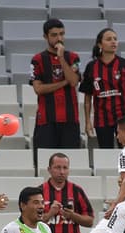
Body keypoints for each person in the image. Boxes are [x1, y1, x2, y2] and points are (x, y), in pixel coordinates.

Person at [30, 18, 81, 163]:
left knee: (70, 162)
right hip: (46, 120)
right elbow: (38, 89)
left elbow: (73, 81)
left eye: (61, 34)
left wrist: (61, 58)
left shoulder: (73, 57)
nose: (59, 38)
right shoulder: (37, 59)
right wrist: (63, 82)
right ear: (45, 37)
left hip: (70, 119)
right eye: (54, 35)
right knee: (44, 162)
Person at [79, 27, 125, 149]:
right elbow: (87, 98)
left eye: (115, 39)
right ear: (100, 44)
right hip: (102, 119)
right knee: (106, 153)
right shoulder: (91, 67)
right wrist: (87, 122)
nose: (113, 42)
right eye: (109, 39)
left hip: (124, 118)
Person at [41, 152, 94, 233]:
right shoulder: (39, 191)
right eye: (57, 167)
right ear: (49, 169)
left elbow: (90, 221)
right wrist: (50, 214)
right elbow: (31, 223)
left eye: (65, 168)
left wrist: (72, 215)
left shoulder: (76, 190)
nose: (62, 172)